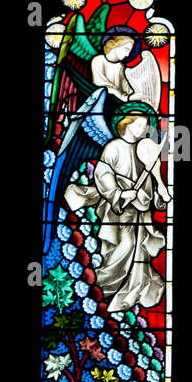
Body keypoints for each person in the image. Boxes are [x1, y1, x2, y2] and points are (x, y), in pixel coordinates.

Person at [63, 102, 170, 312]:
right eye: (137, 125)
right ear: (125, 124)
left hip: (139, 216)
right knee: (122, 248)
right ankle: (100, 288)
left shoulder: (144, 151)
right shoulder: (113, 147)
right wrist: (120, 194)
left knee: (137, 255)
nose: (141, 129)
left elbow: (149, 183)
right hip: (116, 213)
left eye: (144, 126)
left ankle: (117, 295)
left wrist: (156, 196)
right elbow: (102, 174)